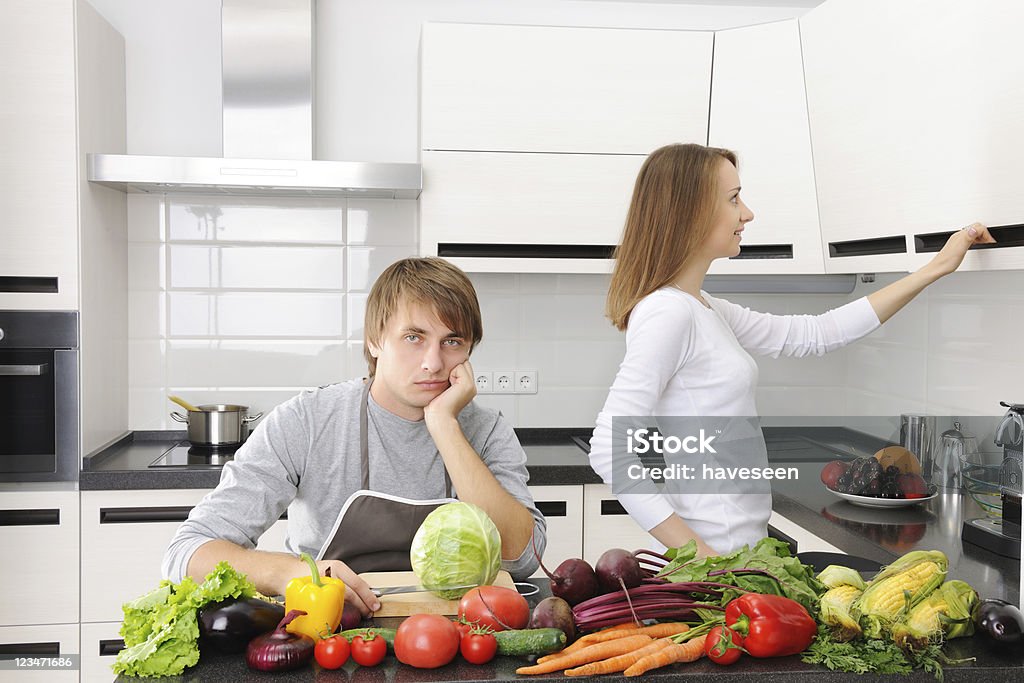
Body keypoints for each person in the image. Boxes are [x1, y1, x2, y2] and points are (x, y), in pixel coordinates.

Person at [589, 142, 995, 558]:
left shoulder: (703, 308)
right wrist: (703, 559)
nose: (747, 213)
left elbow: (817, 333)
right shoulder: (668, 313)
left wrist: (936, 269)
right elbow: (610, 449)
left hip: (744, 555)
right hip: (719, 566)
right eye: (733, 199)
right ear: (690, 211)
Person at [163, 257, 546, 614]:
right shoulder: (307, 421)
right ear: (375, 340)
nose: (433, 363)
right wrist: (288, 572)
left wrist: (445, 426)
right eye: (414, 337)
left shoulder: (486, 429)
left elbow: (523, 556)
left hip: (456, 634)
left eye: (452, 342)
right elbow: (187, 553)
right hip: (328, 633)